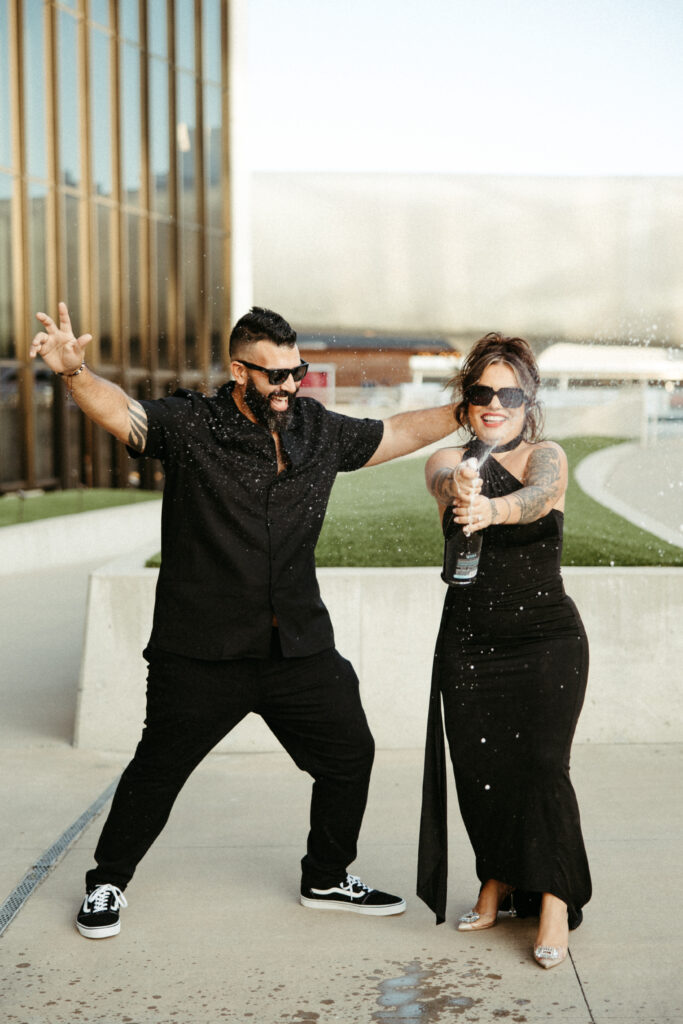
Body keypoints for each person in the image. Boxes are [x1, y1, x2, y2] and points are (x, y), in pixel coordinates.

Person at [31, 302, 457, 940]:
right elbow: (127, 414)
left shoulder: (316, 429)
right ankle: (107, 884)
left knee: (350, 755)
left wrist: (465, 408)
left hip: (298, 648)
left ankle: (326, 875)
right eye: (274, 376)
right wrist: (75, 375)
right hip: (201, 650)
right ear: (238, 370)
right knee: (158, 770)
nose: (289, 387)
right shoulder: (193, 423)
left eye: (297, 373)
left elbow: (393, 432)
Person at [416, 332, 591, 970]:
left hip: (547, 637)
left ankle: (553, 900)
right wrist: (462, 486)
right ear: (466, 402)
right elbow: (444, 483)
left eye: (508, 393)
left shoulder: (550, 456)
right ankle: (495, 878)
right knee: (481, 770)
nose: (495, 403)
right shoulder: (444, 461)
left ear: (529, 400)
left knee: (543, 765)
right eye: (482, 393)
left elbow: (538, 496)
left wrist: (491, 509)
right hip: (468, 639)